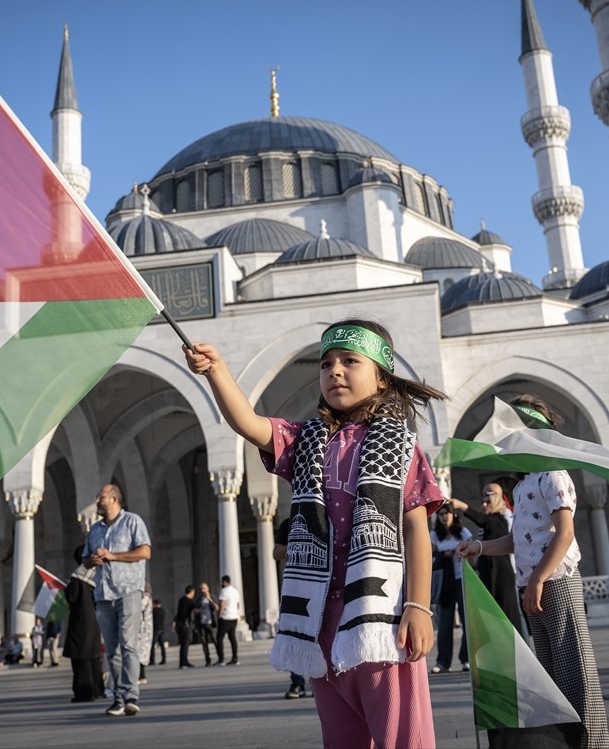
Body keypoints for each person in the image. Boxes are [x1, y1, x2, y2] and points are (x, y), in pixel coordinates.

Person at [184, 318, 445, 748]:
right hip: (322, 621)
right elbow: (248, 423)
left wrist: (419, 606)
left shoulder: (401, 446)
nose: (335, 371)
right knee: (342, 738)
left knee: (403, 738)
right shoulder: (306, 439)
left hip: (380, 621)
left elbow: (417, 529)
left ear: (381, 378)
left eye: (349, 361)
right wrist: (217, 371)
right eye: (325, 364)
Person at [459, 394, 609, 749]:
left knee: (576, 674)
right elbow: (517, 540)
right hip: (534, 586)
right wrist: (479, 547)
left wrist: (539, 579)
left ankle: (594, 743)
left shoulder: (552, 474)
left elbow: (565, 532)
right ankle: (569, 742)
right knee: (553, 678)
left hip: (555, 582)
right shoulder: (525, 482)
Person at [83, 482, 152, 717]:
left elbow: (145, 552)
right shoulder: (95, 530)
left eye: (100, 497)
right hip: (103, 594)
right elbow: (84, 560)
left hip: (129, 591)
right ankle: (119, 698)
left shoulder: (132, 521)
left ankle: (131, 696)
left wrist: (113, 556)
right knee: (111, 649)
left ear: (113, 499)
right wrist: (93, 560)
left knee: (128, 644)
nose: (97, 501)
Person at [449, 478, 520, 628]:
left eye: (488, 498)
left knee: (508, 617)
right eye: (482, 498)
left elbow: (481, 520)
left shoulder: (499, 519)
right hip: (489, 572)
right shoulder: (491, 521)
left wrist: (461, 506)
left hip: (500, 574)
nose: (483, 503)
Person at [429, 506, 471, 674]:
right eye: (441, 514)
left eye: (447, 513)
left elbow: (470, 549)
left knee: (466, 619)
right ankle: (443, 661)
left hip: (462, 578)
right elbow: (430, 555)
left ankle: (466, 659)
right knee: (445, 623)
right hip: (445, 582)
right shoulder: (434, 535)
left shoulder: (463, 532)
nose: (444, 516)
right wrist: (443, 554)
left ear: (453, 515)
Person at [64, 546, 104, 702]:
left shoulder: (78, 576)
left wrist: (67, 588)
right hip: (94, 621)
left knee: (81, 658)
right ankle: (98, 690)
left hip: (80, 622)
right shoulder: (96, 574)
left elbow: (72, 598)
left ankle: (84, 692)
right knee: (93, 658)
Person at [274, 516, 306, 699]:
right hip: (296, 587)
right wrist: (293, 546)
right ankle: (297, 683)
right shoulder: (290, 522)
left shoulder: (327, 516)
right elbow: (276, 553)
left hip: (325, 588)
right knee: (295, 636)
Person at [215, 575, 241, 666]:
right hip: (234, 617)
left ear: (224, 582)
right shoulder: (235, 591)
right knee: (232, 638)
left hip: (225, 617)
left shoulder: (224, 591)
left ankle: (221, 659)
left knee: (219, 638)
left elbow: (222, 604)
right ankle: (235, 658)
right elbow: (238, 605)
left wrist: (219, 615)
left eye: (222, 582)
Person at [172, 586, 197, 670]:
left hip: (179, 624)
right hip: (184, 625)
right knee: (185, 644)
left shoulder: (181, 599)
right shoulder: (190, 601)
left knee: (183, 644)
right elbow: (196, 610)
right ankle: (183, 663)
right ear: (192, 591)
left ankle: (183, 662)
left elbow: (178, 613)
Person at [194, 582, 217, 666]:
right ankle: (207, 659)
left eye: (203, 588)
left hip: (211, 622)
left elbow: (215, 608)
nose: (202, 590)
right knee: (204, 642)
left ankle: (220, 656)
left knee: (214, 639)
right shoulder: (199, 599)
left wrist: (209, 599)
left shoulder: (212, 597)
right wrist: (198, 611)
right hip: (201, 623)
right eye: (201, 588)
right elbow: (195, 611)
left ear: (207, 588)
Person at [149, 598, 167, 667]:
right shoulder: (162, 611)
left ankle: (152, 660)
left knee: (152, 645)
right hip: (162, 629)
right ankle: (164, 659)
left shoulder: (153, 611)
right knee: (162, 646)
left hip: (155, 629)